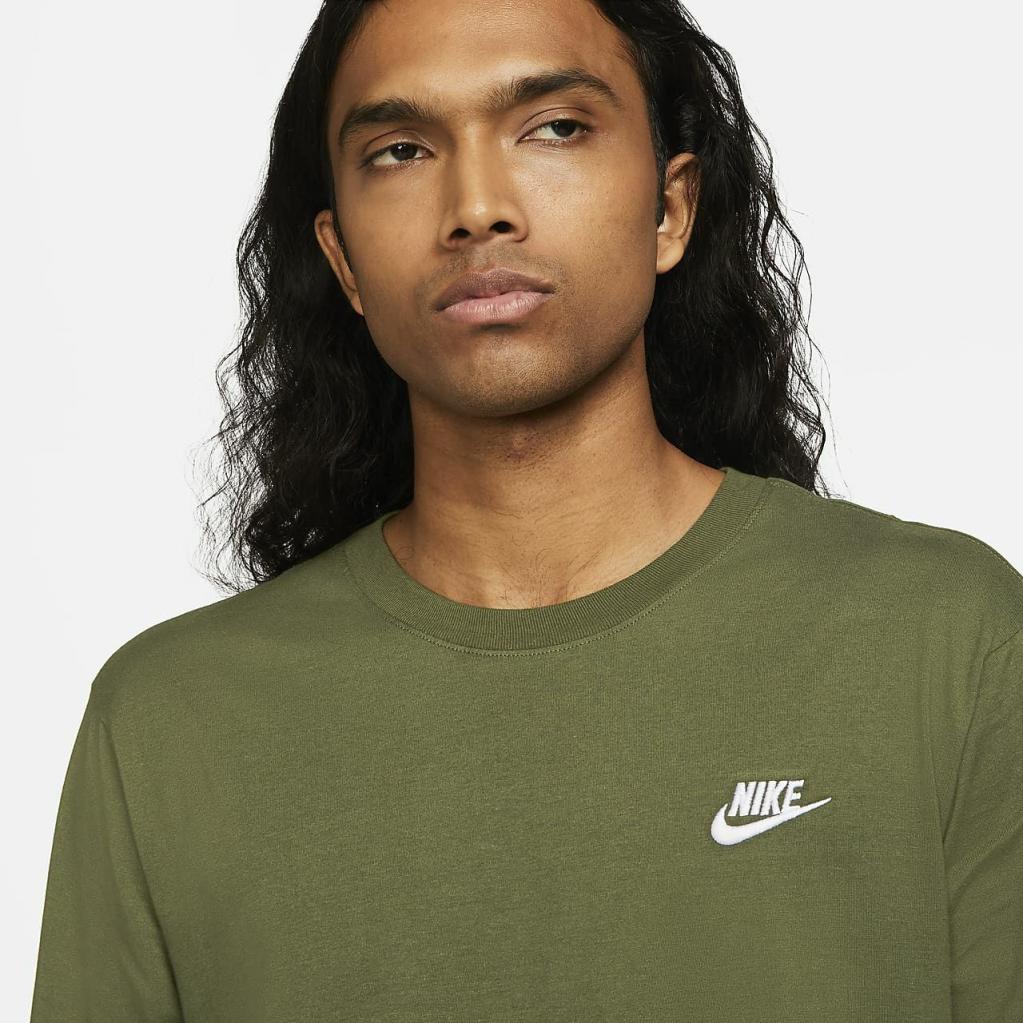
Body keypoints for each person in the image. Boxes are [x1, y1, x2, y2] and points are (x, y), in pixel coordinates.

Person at [30, 0, 1022, 1020]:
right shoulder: (170, 725)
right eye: (401, 150)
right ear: (343, 260)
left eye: (553, 127)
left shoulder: (948, 641)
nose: (477, 207)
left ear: (669, 208)